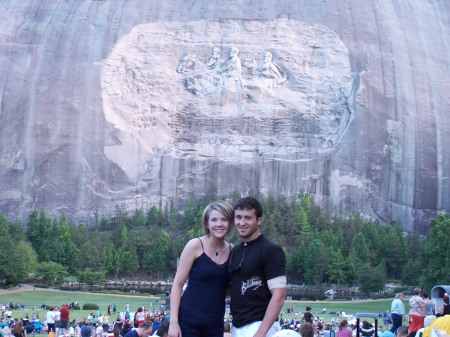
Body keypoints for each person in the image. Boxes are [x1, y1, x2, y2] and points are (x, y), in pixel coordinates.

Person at [168, 201, 234, 337]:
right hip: (187, 323)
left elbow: (226, 288)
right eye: (214, 219)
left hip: (215, 325)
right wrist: (173, 323)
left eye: (224, 219)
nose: (219, 224)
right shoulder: (195, 245)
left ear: (230, 223)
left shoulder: (233, 251)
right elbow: (177, 285)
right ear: (207, 224)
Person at [229, 197, 286, 337]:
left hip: (260, 325)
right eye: (238, 217)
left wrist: (261, 332)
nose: (242, 223)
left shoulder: (271, 250)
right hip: (238, 325)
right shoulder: (235, 251)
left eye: (248, 218)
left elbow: (279, 295)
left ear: (259, 220)